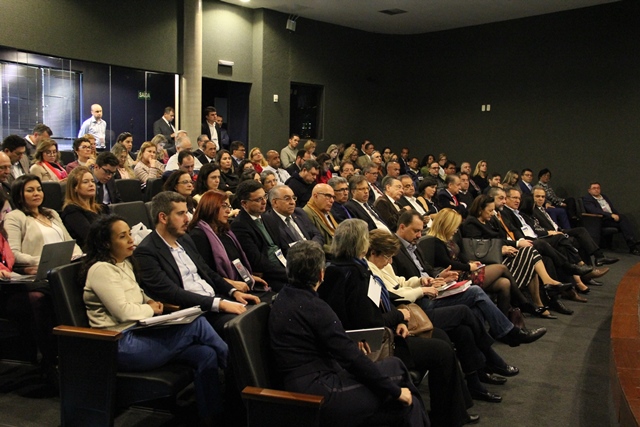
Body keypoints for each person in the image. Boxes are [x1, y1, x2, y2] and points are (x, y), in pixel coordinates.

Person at [319, 219, 478, 426]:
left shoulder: (346, 269)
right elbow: (369, 321)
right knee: (441, 351)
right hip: (373, 344)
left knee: (441, 337)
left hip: (383, 331)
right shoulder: (355, 274)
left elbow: (376, 308)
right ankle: (448, 417)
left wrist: (398, 317)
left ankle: (455, 411)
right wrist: (399, 317)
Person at [83, 215, 227, 425]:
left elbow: (139, 295)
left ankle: (212, 416)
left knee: (204, 354)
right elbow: (123, 312)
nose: (131, 240)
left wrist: (150, 301)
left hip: (141, 332)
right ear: (106, 243)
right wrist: (149, 309)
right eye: (123, 237)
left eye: (130, 234)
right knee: (197, 324)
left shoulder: (124, 263)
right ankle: (237, 373)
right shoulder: (101, 270)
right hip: (119, 343)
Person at [270, 240, 430, 427]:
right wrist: (395, 392)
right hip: (320, 391)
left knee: (397, 368)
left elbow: (317, 345)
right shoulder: (314, 307)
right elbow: (350, 357)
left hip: (307, 381)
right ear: (321, 273)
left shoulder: (283, 297)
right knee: (404, 393)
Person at [367, 229, 519, 402]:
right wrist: (421, 289)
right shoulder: (370, 270)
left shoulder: (385, 261)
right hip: (412, 311)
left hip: (417, 303)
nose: (390, 261)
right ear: (373, 253)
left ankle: (476, 380)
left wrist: (421, 281)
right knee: (468, 305)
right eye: (387, 257)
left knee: (464, 330)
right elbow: (395, 295)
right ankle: (492, 354)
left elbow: (399, 282)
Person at [134, 191, 260, 336]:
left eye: (187, 212)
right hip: (191, 312)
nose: (187, 218)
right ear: (163, 217)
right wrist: (220, 304)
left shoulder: (184, 239)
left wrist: (233, 291)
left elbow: (207, 272)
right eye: (180, 214)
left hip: (213, 300)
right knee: (245, 326)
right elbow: (172, 292)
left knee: (259, 311)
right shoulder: (146, 252)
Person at [462, 194, 574, 317]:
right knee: (530, 253)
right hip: (489, 262)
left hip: (499, 256)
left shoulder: (491, 220)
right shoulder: (471, 224)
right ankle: (540, 295)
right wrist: (502, 248)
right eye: (489, 210)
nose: (492, 213)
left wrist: (507, 242)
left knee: (530, 253)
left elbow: (500, 238)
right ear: (480, 210)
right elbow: (478, 248)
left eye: (493, 210)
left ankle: (540, 298)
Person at [427, 208, 538, 317]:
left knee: (504, 283)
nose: (456, 230)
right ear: (447, 225)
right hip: (456, 276)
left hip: (463, 271)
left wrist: (471, 262)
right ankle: (522, 302)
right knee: (502, 268)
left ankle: (504, 324)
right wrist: (469, 266)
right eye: (455, 227)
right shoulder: (435, 241)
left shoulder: (449, 239)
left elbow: (460, 256)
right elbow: (447, 263)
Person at [188, 190, 270, 297]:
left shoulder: (225, 232)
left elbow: (235, 261)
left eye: (229, 207)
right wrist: (231, 284)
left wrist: (248, 276)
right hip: (220, 290)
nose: (228, 211)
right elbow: (206, 273)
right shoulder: (198, 235)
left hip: (240, 282)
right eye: (224, 206)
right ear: (210, 207)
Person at [6, 174, 82, 267]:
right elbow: (13, 253)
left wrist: (78, 256)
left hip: (65, 267)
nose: (36, 193)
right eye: (30, 190)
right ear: (18, 196)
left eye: (39, 189)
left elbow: (70, 242)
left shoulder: (52, 213)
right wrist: (43, 261)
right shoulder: (14, 217)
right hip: (38, 270)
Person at [229, 180, 289, 291]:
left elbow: (283, 245)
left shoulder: (268, 217)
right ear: (244, 203)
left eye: (264, 197)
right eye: (258, 199)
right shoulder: (239, 225)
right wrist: (288, 272)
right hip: (269, 275)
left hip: (284, 265)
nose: (264, 202)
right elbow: (257, 261)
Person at [582, 182, 640, 255]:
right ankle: (633, 245)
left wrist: (616, 215)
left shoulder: (604, 197)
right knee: (623, 220)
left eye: (598, 188)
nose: (596, 190)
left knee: (623, 221)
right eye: (594, 188)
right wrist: (610, 215)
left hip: (610, 219)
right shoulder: (587, 199)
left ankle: (633, 245)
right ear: (589, 190)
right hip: (600, 220)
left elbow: (612, 208)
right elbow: (594, 210)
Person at [61, 166, 104, 248]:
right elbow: (89, 235)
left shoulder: (100, 208)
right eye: (85, 182)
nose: (91, 184)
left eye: (92, 181)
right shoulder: (71, 211)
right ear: (75, 188)